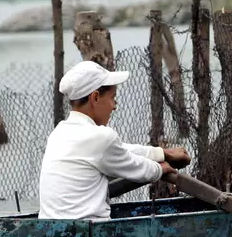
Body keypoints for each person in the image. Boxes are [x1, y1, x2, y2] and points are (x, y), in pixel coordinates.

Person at [38, 60, 190, 220]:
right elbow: (136, 167)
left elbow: (120, 150)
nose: (114, 106)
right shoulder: (100, 138)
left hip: (53, 232)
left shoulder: (60, 132)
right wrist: (161, 169)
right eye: (112, 98)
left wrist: (161, 153)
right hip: (90, 234)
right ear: (95, 98)